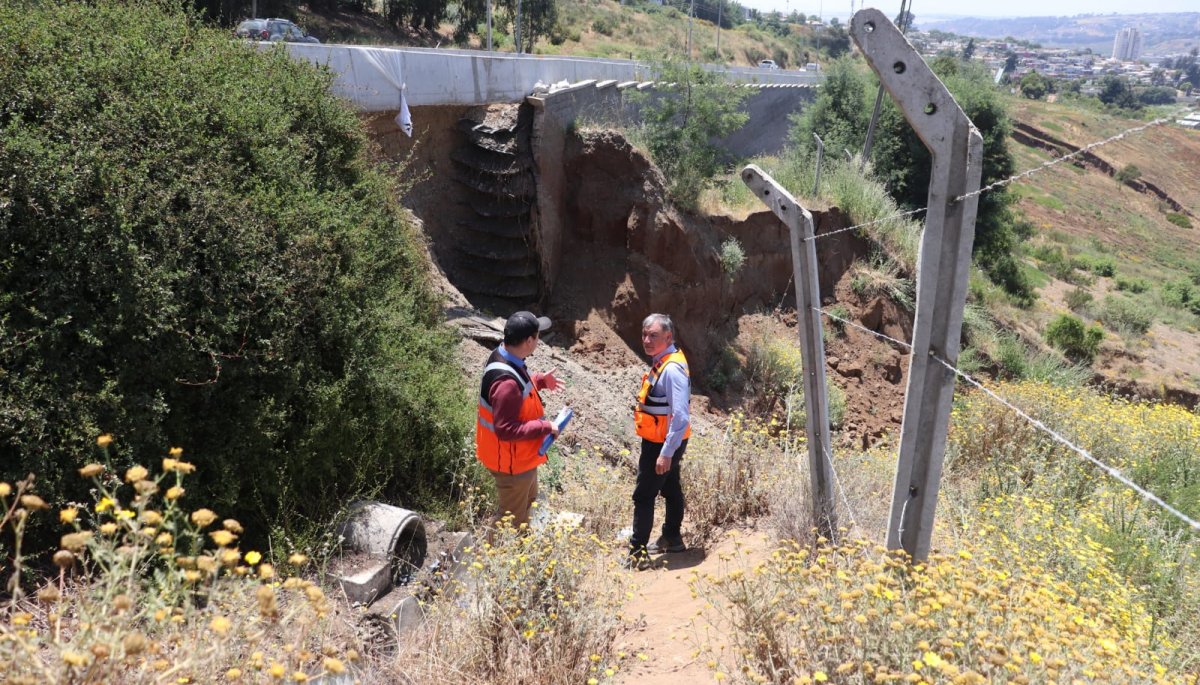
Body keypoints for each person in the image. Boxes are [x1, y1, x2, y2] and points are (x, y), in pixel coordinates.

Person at [475, 311, 561, 533]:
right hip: (511, 464)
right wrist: (546, 426)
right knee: (510, 519)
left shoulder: (506, 355)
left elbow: (518, 395)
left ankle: (520, 552)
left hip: (521, 458)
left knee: (527, 505)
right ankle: (488, 561)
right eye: (537, 336)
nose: (539, 341)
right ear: (529, 341)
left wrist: (539, 381)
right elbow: (505, 429)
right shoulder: (506, 383)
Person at [627, 313, 691, 569]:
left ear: (668, 336)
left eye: (653, 335)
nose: (646, 340)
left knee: (644, 495)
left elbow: (681, 415)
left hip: (662, 443)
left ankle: (637, 553)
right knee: (671, 487)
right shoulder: (663, 361)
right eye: (644, 334)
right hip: (664, 440)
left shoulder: (672, 370)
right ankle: (672, 538)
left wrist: (666, 452)